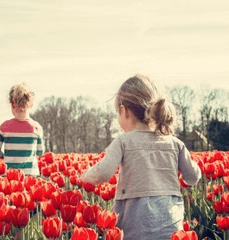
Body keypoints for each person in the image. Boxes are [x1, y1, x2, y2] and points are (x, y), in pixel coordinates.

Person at [80, 74, 201, 240]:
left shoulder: (123, 141)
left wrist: (84, 176)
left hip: (134, 224)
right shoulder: (175, 143)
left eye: (118, 113)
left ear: (125, 111)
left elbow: (103, 173)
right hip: (170, 223)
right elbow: (193, 177)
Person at [0, 83, 44, 176]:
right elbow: (40, 152)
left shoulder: (4, 127)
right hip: (31, 174)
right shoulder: (36, 127)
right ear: (30, 105)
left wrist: (4, 156)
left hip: (10, 175)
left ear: (12, 105)